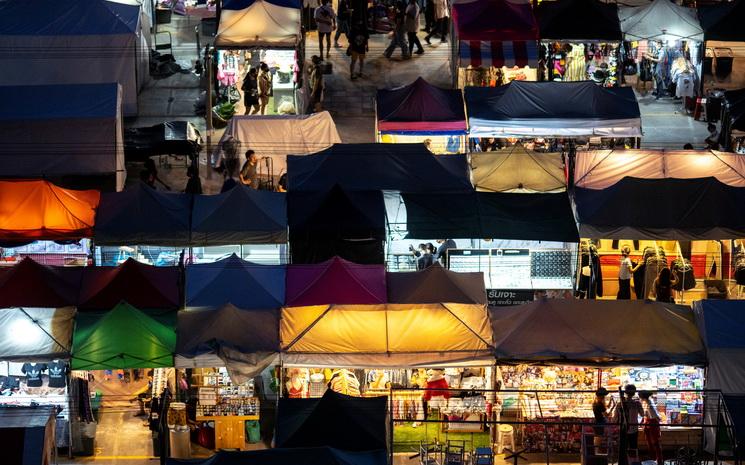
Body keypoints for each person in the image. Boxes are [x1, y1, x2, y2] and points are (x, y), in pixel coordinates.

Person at [615, 384, 643, 465]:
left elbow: (615, 418)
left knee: (623, 447)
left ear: (625, 393)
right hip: (634, 429)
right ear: (634, 393)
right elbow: (642, 414)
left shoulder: (619, 404)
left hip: (623, 428)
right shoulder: (637, 403)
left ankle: (623, 462)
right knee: (633, 447)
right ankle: (633, 462)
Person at [639, 391, 664, 465]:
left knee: (654, 442)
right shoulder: (647, 402)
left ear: (642, 397)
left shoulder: (648, 403)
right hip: (649, 423)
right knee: (652, 442)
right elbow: (648, 415)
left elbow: (654, 415)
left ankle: (658, 459)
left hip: (651, 423)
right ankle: (655, 458)